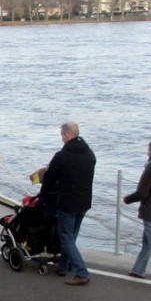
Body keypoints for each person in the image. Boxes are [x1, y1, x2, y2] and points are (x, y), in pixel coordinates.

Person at [38, 121, 96, 285]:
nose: (61, 138)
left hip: (67, 202)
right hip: (84, 201)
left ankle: (81, 272)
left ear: (66, 135)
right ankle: (63, 266)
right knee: (72, 236)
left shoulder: (62, 156)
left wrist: (43, 196)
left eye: (61, 135)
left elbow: (49, 180)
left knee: (66, 237)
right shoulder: (89, 154)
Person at [123, 139, 151, 279]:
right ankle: (138, 270)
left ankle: (138, 270)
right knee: (147, 242)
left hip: (150, 211)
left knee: (149, 242)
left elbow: (142, 192)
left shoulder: (150, 168)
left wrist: (127, 199)